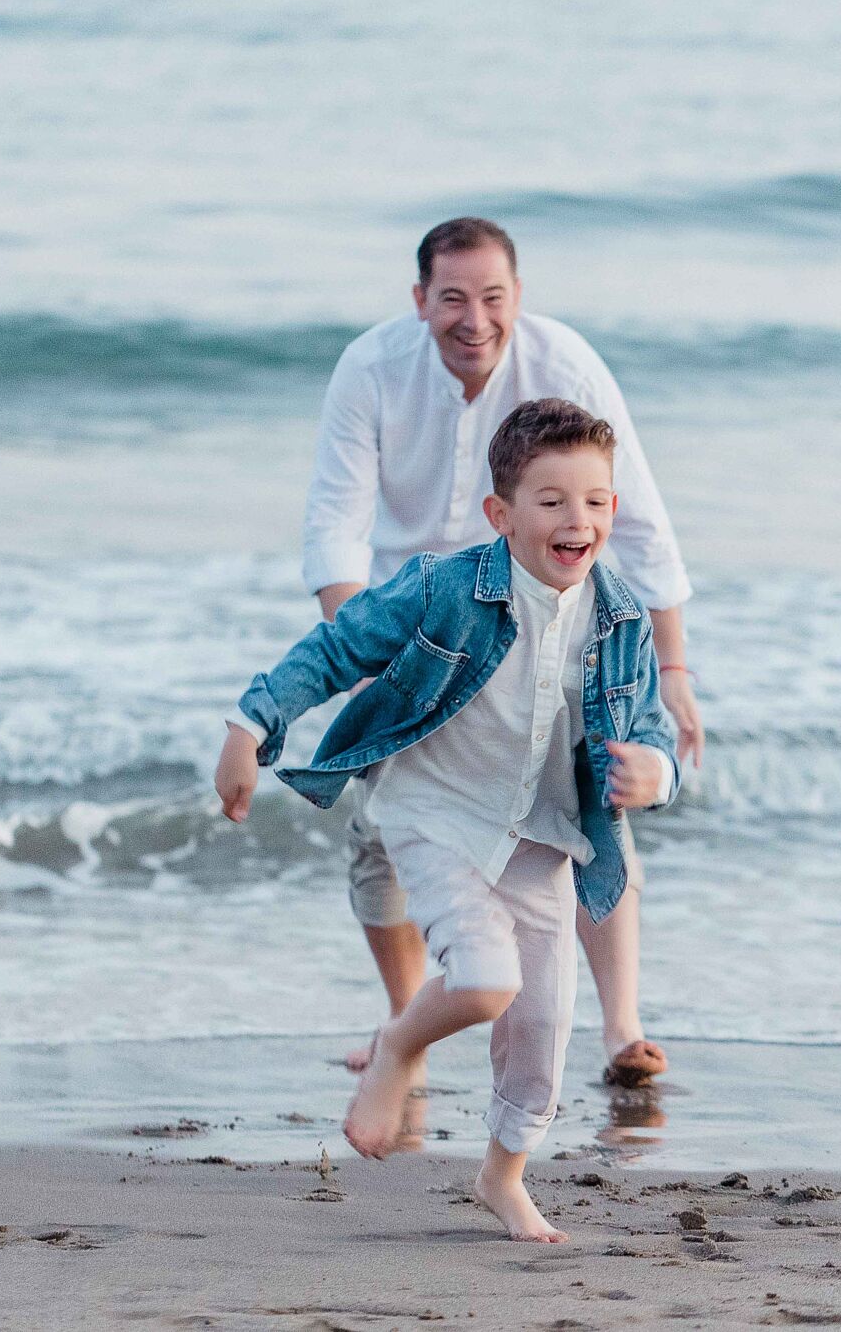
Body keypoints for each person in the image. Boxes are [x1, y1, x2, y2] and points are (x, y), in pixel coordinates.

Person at [215, 400, 681, 1241]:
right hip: (432, 812)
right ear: (501, 515)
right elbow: (337, 648)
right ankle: (398, 1045)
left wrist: (658, 770)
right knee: (484, 977)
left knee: (542, 1028)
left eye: (596, 500)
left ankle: (501, 1177)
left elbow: (648, 729)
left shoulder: (622, 622)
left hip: (540, 837)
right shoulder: (443, 588)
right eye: (551, 500)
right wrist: (251, 726)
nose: (578, 519)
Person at [302, 217, 701, 1087]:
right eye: (452, 299)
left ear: (519, 299)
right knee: (380, 833)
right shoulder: (371, 369)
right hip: (417, 634)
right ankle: (408, 1018)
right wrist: (364, 657)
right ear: (420, 302)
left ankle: (622, 1030)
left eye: (492, 298)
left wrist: (671, 669)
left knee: (592, 802)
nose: (473, 319)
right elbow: (336, 528)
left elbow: (634, 518)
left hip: (548, 614)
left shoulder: (564, 367)